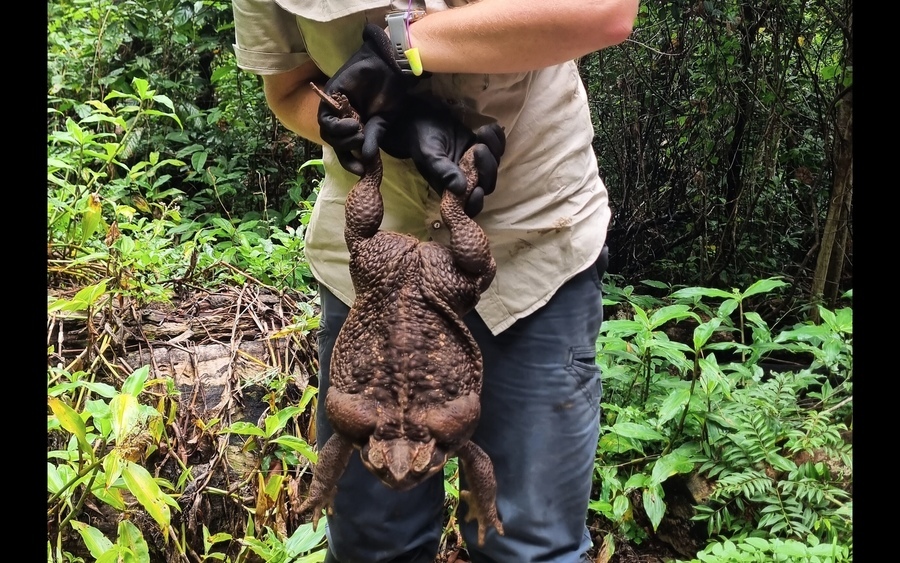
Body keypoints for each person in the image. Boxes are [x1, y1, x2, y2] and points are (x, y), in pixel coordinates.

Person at [231, 1, 638, 562]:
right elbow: (288, 92)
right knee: (373, 546)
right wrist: (353, 127)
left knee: (528, 545)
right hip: (373, 273)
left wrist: (397, 50)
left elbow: (604, 12)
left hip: (534, 240)